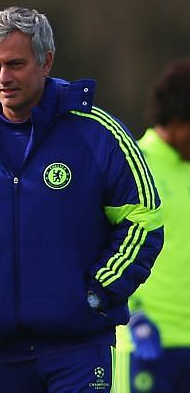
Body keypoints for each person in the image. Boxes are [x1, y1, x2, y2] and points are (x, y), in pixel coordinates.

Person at [0, 6, 164, 392]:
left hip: (79, 348)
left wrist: (96, 293)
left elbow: (143, 219)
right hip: (1, 353)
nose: (3, 78)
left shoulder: (96, 134)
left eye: (15, 64)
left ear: (46, 61)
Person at [114, 57, 190, 393]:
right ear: (176, 119)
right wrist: (133, 316)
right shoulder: (131, 165)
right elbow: (100, 249)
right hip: (149, 340)